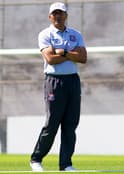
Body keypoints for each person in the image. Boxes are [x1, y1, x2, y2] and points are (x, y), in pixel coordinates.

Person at [30, 2, 87, 172]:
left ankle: (66, 164)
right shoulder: (45, 34)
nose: (58, 16)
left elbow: (83, 57)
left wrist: (62, 52)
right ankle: (36, 159)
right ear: (50, 16)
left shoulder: (76, 34)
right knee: (52, 123)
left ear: (66, 16)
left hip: (72, 81)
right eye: (54, 14)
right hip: (54, 81)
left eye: (60, 13)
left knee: (70, 124)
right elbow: (50, 59)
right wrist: (71, 54)